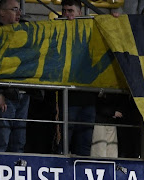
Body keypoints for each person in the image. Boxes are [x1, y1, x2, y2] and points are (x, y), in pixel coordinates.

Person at [0, 0, 29, 153]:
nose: (19, 14)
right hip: (5, 95)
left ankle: (16, 176)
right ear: (2, 12)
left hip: (24, 94)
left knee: (19, 141)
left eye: (20, 10)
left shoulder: (26, 31)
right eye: (14, 9)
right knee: (1, 140)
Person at [59, 0, 96, 157]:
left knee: (84, 142)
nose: (67, 14)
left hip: (88, 96)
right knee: (63, 141)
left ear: (80, 13)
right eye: (64, 11)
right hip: (67, 95)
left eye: (71, 11)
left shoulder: (91, 29)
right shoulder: (55, 29)